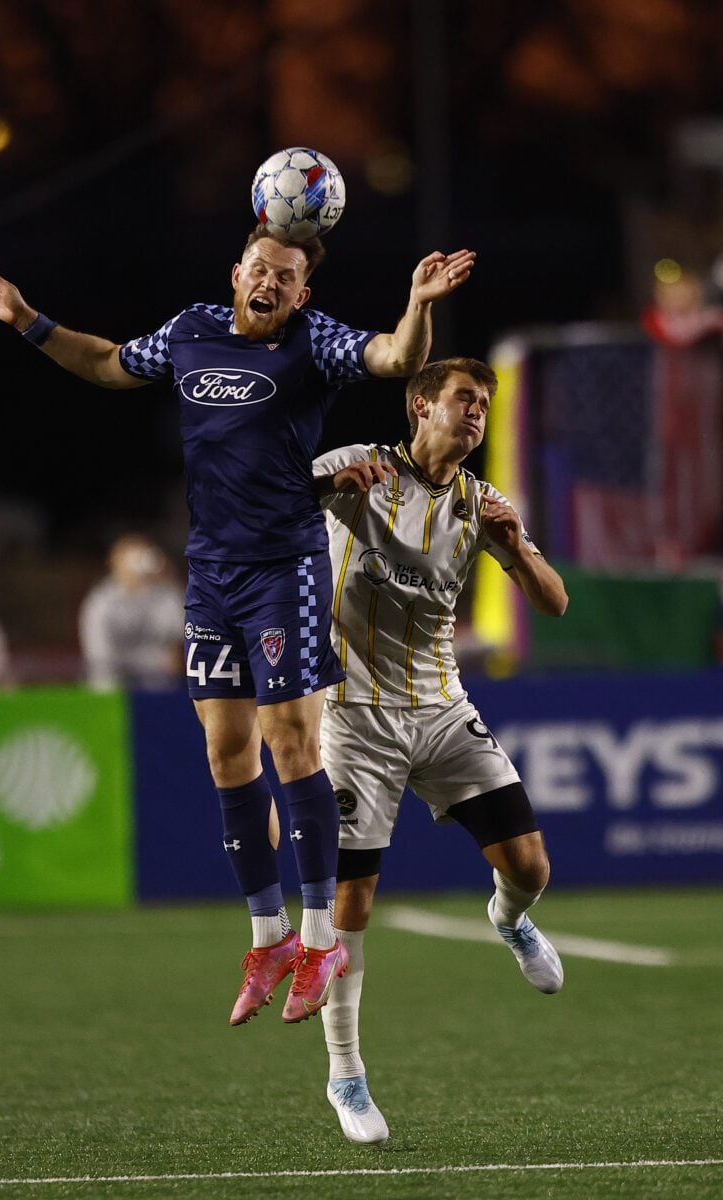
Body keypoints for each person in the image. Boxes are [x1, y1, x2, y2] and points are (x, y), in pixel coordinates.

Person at [0, 228, 475, 1024]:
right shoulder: (191, 330)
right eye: (260, 269)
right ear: (237, 275)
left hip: (285, 569)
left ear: (302, 294)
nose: (270, 281)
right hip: (211, 575)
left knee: (291, 745)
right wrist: (25, 317)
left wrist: (417, 306)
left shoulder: (314, 339)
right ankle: (268, 936)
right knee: (225, 753)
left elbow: (395, 360)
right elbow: (104, 362)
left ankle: (317, 939)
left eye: (287, 275)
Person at [312, 356, 569, 1143]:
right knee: (349, 903)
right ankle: (346, 1077)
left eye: (486, 404)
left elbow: (554, 603)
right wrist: (318, 493)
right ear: (421, 405)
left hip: (441, 708)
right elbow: (265, 497)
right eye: (464, 399)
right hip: (355, 717)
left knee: (530, 867)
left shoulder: (480, 501)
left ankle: (509, 919)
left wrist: (518, 549)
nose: (478, 413)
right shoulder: (353, 469)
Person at [79, 534, 185, 691]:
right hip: (111, 687)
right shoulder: (100, 602)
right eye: (133, 559)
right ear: (115, 563)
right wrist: (158, 660)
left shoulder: (166, 593)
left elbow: (181, 636)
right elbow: (100, 656)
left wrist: (170, 577)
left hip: (160, 686)